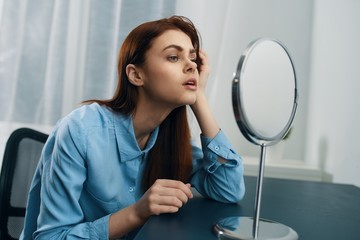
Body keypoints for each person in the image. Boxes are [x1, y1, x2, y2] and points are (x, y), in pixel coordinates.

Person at [20, 15, 245, 239]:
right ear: (136, 74)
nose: (191, 67)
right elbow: (51, 237)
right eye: (174, 57)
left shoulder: (170, 139)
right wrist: (138, 212)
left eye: (193, 59)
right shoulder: (80, 131)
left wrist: (199, 99)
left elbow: (228, 189)